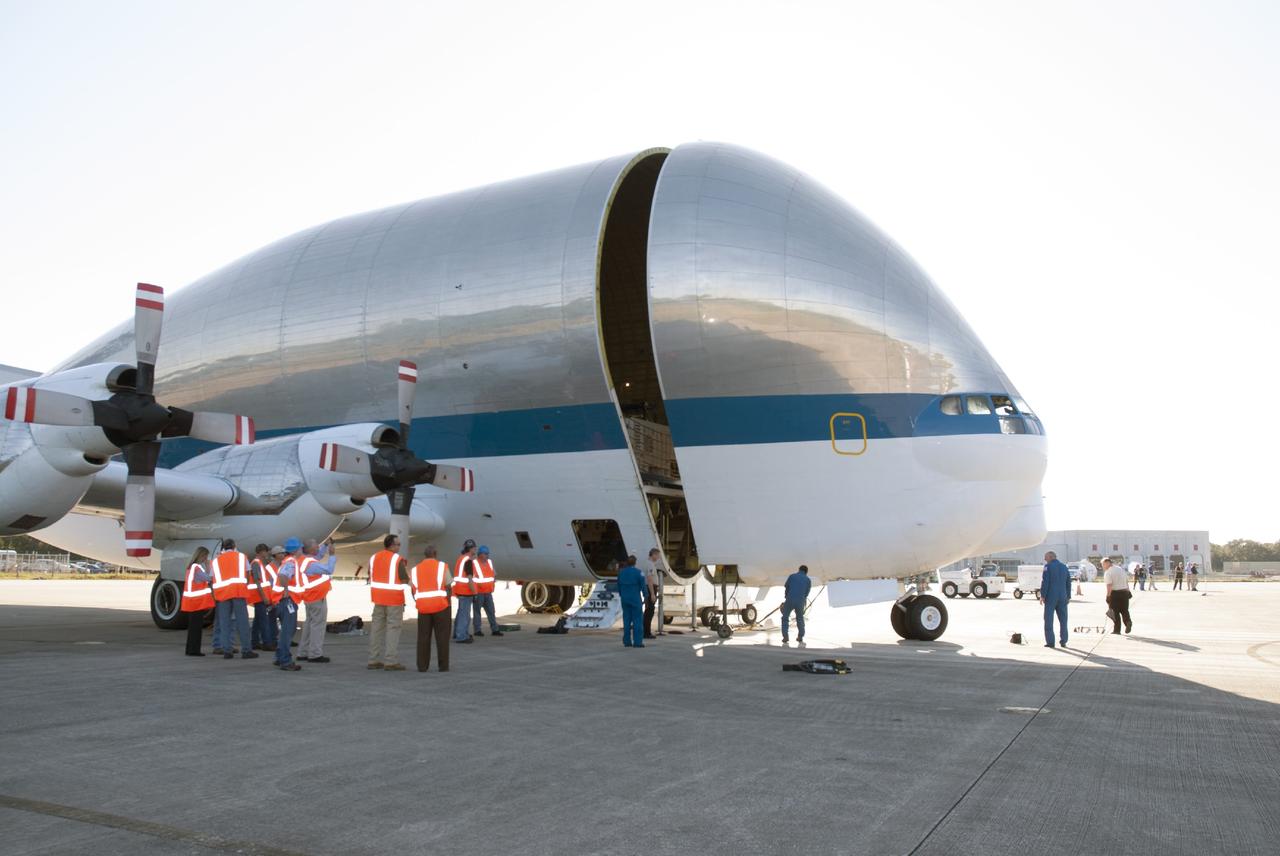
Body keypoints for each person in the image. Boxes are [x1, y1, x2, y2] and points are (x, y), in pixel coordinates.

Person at [367, 534, 410, 671]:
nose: (399, 546)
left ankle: (373, 660)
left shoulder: (374, 557)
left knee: (376, 628)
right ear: (391, 545)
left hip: (378, 598)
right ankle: (390, 661)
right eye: (398, 544)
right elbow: (404, 579)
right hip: (393, 599)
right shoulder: (397, 560)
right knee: (393, 629)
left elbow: (370, 574)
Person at [211, 539, 257, 660]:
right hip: (238, 592)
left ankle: (227, 651)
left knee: (224, 623)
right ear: (234, 546)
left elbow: (212, 577)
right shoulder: (241, 557)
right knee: (242, 623)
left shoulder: (216, 560)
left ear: (223, 548)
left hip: (222, 594)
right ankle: (246, 650)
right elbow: (248, 574)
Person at [296, 538, 337, 663]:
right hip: (317, 597)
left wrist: (325, 545)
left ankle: (303, 652)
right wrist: (332, 555)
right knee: (318, 625)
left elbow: (318, 556)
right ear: (310, 549)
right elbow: (329, 569)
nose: (318, 546)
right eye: (316, 545)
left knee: (309, 624)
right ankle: (315, 654)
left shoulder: (304, 560)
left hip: (309, 596)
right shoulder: (311, 564)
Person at [412, 544, 452, 672]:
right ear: (435, 554)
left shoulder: (415, 569)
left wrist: (419, 601)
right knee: (442, 638)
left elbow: (413, 590)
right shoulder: (442, 567)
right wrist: (448, 602)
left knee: (423, 638)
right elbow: (448, 586)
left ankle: (422, 666)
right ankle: (443, 666)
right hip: (441, 606)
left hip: (423, 608)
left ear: (425, 555)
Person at [271, 538, 306, 671]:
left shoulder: (287, 561)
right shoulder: (291, 562)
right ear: (296, 550)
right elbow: (283, 575)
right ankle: (285, 661)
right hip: (287, 601)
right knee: (288, 631)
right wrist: (286, 590)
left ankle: (279, 657)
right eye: (300, 548)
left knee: (287, 630)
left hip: (283, 601)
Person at [180, 546, 214, 656]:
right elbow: (209, 578)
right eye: (205, 556)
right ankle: (194, 650)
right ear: (201, 556)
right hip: (197, 602)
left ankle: (190, 649)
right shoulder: (197, 568)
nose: (206, 559)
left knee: (192, 628)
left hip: (191, 602)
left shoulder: (191, 567)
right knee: (196, 628)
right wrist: (209, 566)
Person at [247, 544, 279, 652]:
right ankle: (267, 643)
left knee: (257, 620)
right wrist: (264, 596)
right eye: (266, 552)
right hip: (259, 596)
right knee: (264, 620)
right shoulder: (256, 563)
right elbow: (257, 581)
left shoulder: (260, 563)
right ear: (261, 552)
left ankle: (255, 642)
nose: (267, 554)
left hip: (260, 596)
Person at [1039, 551, 1071, 648]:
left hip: (1051, 597)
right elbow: (1068, 582)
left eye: (1046, 557)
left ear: (1051, 557)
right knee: (1063, 620)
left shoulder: (1047, 567)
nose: (1045, 559)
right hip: (1063, 596)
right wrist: (1068, 596)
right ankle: (1063, 641)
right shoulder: (1064, 567)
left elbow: (1045, 582)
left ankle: (1050, 642)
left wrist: (1043, 595)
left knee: (1048, 619)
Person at [616, 555, 648, 647]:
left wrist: (622, 595)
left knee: (626, 620)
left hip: (625, 599)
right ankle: (637, 642)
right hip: (635, 599)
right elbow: (643, 587)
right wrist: (646, 597)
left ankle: (627, 641)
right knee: (637, 620)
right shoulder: (639, 573)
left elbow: (618, 586)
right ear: (635, 562)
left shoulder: (621, 573)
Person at [470, 545, 503, 637]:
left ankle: (495, 629)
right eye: (486, 554)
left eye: (488, 554)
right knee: (477, 612)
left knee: (491, 611)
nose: (487, 556)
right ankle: (477, 630)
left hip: (488, 592)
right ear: (480, 555)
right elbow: (471, 579)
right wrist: (474, 592)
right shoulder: (474, 563)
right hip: (479, 593)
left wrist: (492, 584)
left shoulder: (489, 562)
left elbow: (494, 574)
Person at [451, 540, 478, 644]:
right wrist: (475, 593)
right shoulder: (468, 561)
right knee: (464, 615)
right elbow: (470, 579)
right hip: (466, 591)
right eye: (474, 548)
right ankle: (461, 636)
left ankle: (458, 633)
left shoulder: (461, 559)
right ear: (471, 549)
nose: (475, 549)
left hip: (460, 590)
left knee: (461, 613)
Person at [781, 564, 811, 643]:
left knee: (785, 618)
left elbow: (787, 587)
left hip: (790, 599)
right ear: (806, 572)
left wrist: (786, 596)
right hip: (800, 601)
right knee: (800, 618)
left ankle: (785, 637)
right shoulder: (808, 580)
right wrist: (802, 600)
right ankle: (800, 636)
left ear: (799, 569)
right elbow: (806, 593)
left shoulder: (792, 576)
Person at [1102, 556, 1132, 634]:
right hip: (1125, 592)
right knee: (1124, 611)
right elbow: (1126, 581)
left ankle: (1117, 630)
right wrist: (1128, 591)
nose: (1103, 566)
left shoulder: (1108, 572)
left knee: (1115, 612)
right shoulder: (1120, 569)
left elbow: (1109, 585)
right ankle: (1128, 622)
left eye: (1103, 564)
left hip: (1115, 594)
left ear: (1107, 563)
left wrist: (1108, 596)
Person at [643, 548, 662, 639]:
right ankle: (646, 632)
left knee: (649, 610)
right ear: (653, 555)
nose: (658, 557)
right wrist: (652, 594)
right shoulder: (650, 565)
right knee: (649, 611)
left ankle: (646, 631)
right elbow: (650, 579)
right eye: (657, 555)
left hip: (651, 588)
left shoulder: (649, 564)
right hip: (651, 588)